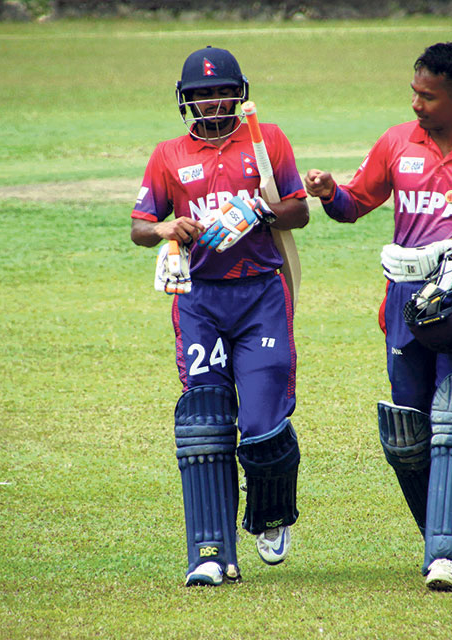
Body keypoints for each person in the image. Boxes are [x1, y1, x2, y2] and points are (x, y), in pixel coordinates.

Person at [304, 42, 452, 591]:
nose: (416, 104)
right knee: (409, 433)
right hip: (406, 301)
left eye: (428, 96)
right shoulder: (396, 142)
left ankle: (448, 556)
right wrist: (330, 193)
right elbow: (354, 205)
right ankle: (439, 540)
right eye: (414, 92)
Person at [130, 46, 310, 587]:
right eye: (203, 94)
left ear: (240, 93)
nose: (214, 102)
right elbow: (140, 226)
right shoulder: (168, 154)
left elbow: (299, 211)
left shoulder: (266, 139)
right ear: (186, 100)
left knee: (259, 422)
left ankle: (271, 514)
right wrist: (165, 228)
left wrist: (259, 209)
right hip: (200, 300)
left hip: (261, 295)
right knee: (206, 421)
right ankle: (211, 552)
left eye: (223, 92)